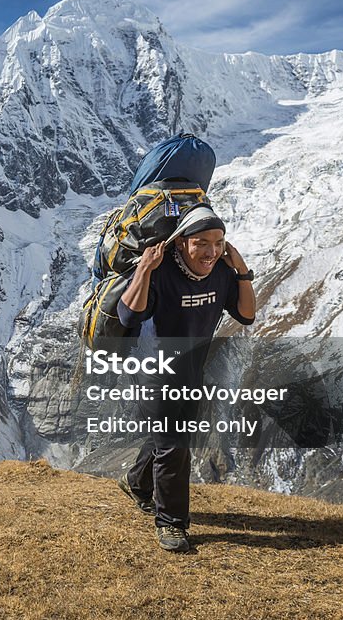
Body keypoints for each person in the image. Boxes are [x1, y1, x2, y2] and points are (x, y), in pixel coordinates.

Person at [114, 204, 255, 552]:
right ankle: (172, 523)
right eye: (201, 243)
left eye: (219, 242)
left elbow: (247, 315)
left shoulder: (222, 273)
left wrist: (242, 271)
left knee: (169, 441)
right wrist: (145, 269)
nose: (211, 251)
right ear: (181, 244)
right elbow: (128, 313)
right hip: (154, 372)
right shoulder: (162, 273)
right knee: (176, 447)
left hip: (192, 371)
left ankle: (137, 482)